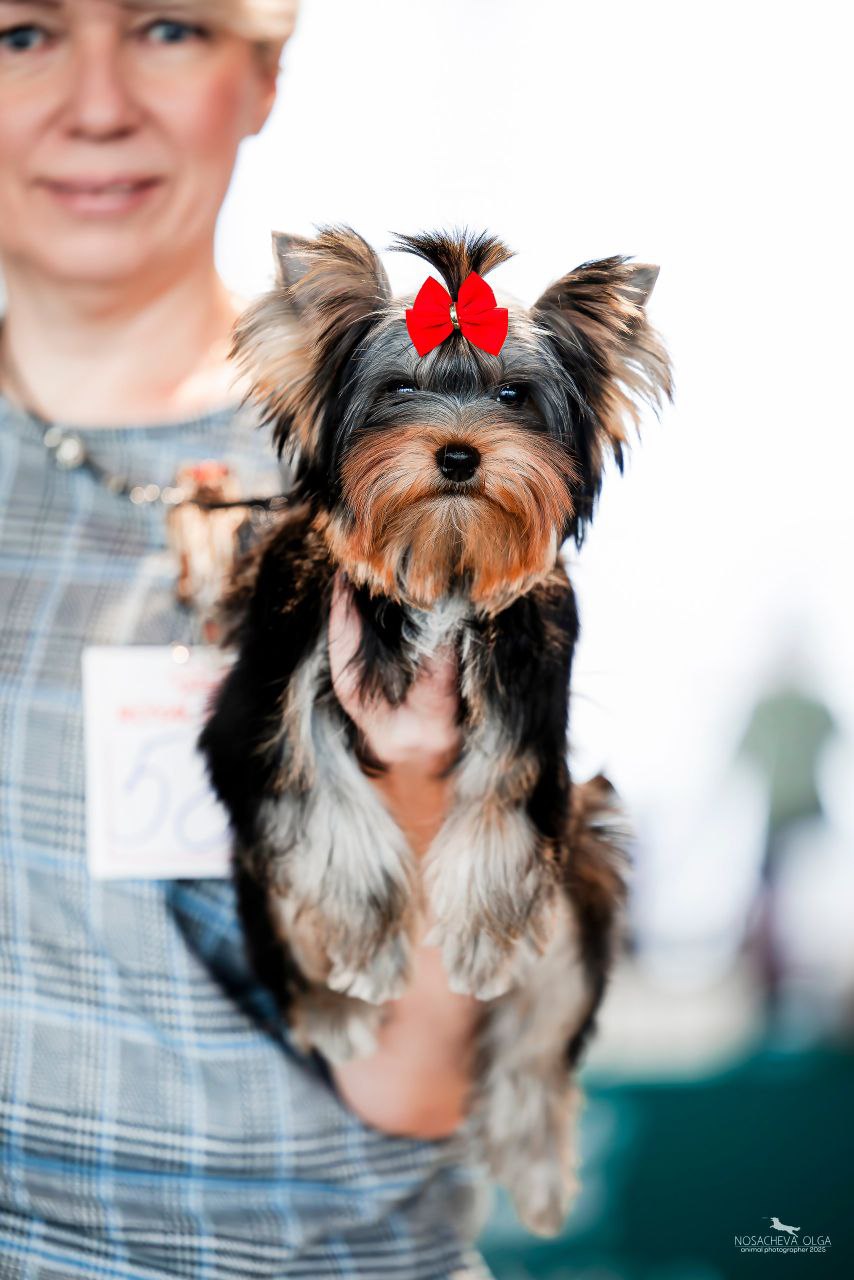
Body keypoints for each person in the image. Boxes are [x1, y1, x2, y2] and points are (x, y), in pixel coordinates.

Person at [0, 2, 490, 1275]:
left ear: (263, 70)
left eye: (166, 28)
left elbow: (417, 1085)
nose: (95, 104)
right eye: (21, 34)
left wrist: (422, 785)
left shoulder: (392, 476)